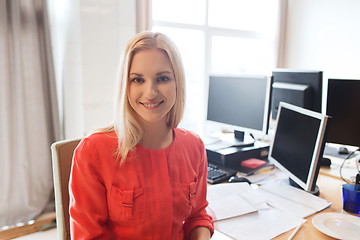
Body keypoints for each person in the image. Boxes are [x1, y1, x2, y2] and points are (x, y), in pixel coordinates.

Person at [69, 31, 214, 239]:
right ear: (124, 86)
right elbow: (88, 235)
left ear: (178, 83)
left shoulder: (194, 146)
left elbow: (197, 216)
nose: (150, 92)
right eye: (138, 80)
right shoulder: (93, 152)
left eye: (162, 78)